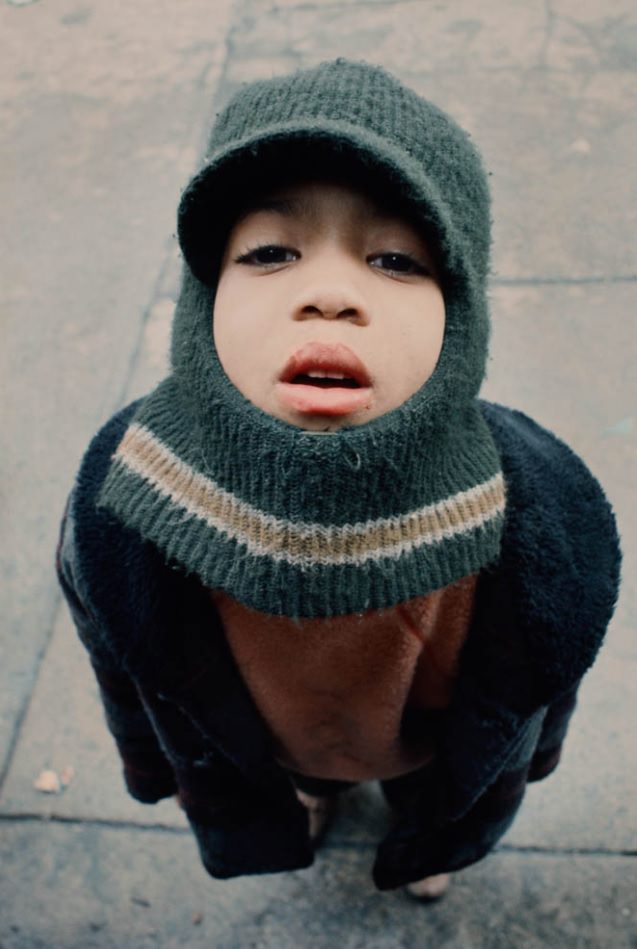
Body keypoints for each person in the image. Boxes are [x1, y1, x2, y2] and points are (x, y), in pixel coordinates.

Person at [56, 58, 621, 900]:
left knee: (422, 790)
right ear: (203, 296)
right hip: (275, 743)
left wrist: (503, 779)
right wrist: (151, 765)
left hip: (420, 746)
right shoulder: (125, 497)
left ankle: (418, 826)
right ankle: (313, 793)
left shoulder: (543, 513)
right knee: (305, 770)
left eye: (394, 260)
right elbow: (123, 667)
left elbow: (542, 691)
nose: (327, 293)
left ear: (459, 315)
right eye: (271, 251)